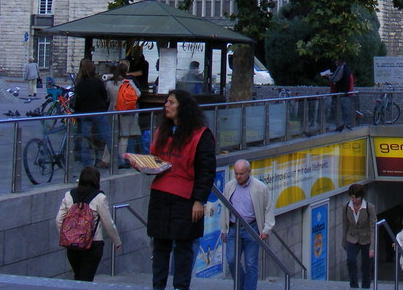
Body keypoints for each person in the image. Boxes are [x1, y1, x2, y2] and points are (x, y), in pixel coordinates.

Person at [148, 88, 217, 290]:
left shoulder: (201, 135)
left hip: (185, 197)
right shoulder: (163, 131)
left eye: (171, 103)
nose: (166, 106)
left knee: (184, 246)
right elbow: (154, 157)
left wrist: (199, 200)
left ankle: (180, 287)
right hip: (161, 193)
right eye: (166, 102)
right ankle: (158, 286)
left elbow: (206, 170)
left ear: (182, 107)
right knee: (160, 245)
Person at [55, 165, 122, 282]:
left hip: (72, 246)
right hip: (93, 244)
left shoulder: (69, 195)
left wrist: (67, 236)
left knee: (77, 276)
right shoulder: (100, 198)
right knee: (87, 278)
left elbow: (59, 219)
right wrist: (117, 241)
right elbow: (108, 223)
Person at [220, 159, 276, 290]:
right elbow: (225, 209)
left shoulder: (260, 188)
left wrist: (267, 230)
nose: (238, 177)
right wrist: (224, 229)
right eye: (236, 174)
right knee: (232, 260)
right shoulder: (229, 186)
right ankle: (241, 286)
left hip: (252, 228)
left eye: (241, 174)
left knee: (251, 263)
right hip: (233, 228)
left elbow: (268, 209)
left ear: (249, 172)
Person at [72, 58, 110, 168]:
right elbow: (104, 96)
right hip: (98, 113)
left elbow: (78, 100)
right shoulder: (97, 82)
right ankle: (118, 160)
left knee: (85, 140)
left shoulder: (80, 83)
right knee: (108, 137)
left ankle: (87, 164)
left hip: (84, 114)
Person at [106, 61, 141, 166]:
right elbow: (138, 94)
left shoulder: (109, 83)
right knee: (124, 137)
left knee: (111, 135)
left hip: (113, 110)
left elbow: (107, 96)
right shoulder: (128, 82)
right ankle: (121, 160)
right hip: (126, 111)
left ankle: (106, 159)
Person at [343, 182, 376, 288]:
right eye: (351, 197)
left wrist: (372, 247)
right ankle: (354, 285)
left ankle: (366, 286)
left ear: (360, 197)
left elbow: (373, 227)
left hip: (366, 238)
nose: (353, 200)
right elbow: (345, 224)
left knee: (366, 267)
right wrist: (344, 241)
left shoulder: (369, 207)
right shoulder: (347, 207)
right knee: (351, 260)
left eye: (355, 198)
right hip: (351, 237)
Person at [328, 58, 354, 131]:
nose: (335, 62)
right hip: (346, 93)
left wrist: (328, 76)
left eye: (336, 60)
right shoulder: (348, 69)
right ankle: (346, 125)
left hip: (342, 93)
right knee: (345, 110)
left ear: (340, 61)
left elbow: (334, 78)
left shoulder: (341, 68)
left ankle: (340, 126)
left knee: (339, 110)